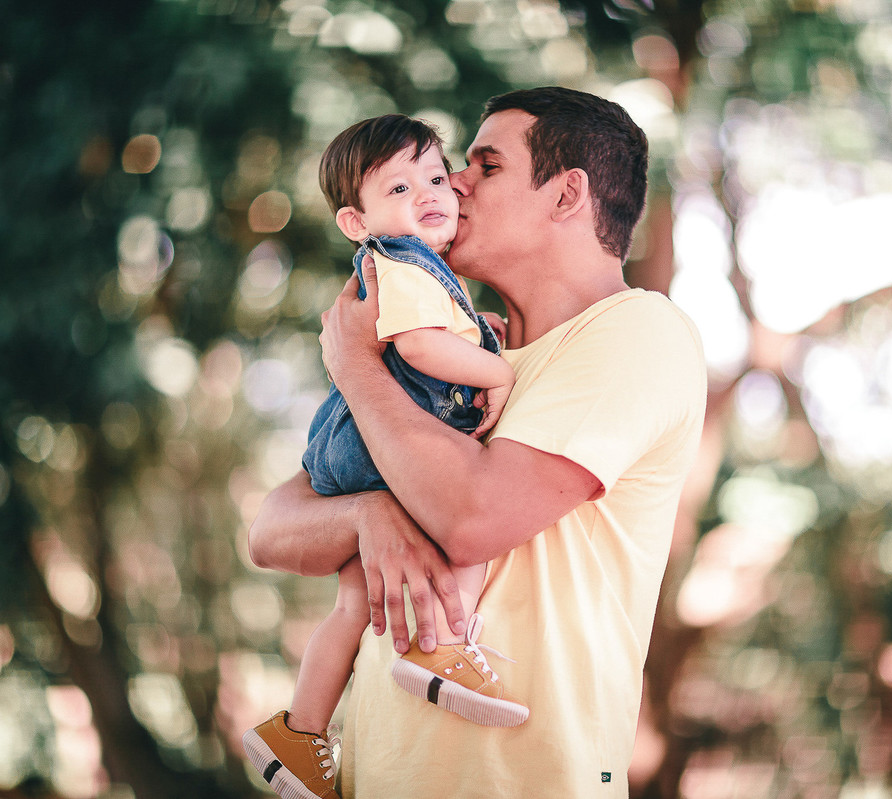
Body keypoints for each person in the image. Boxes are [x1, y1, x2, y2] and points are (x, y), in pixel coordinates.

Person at [248, 86, 707, 797]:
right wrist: (369, 514)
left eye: (486, 166)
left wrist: (356, 365)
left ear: (567, 195)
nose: (454, 183)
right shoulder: (452, 360)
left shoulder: (636, 332)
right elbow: (272, 531)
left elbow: (472, 520)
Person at [242, 114, 527, 799]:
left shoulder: (412, 269)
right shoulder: (400, 260)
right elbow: (420, 347)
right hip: (374, 447)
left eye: (435, 177)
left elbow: (435, 333)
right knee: (466, 524)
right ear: (355, 221)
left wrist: (477, 334)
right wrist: (498, 369)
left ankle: (300, 731)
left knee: (354, 601)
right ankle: (442, 646)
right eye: (399, 187)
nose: (430, 192)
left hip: (348, 447)